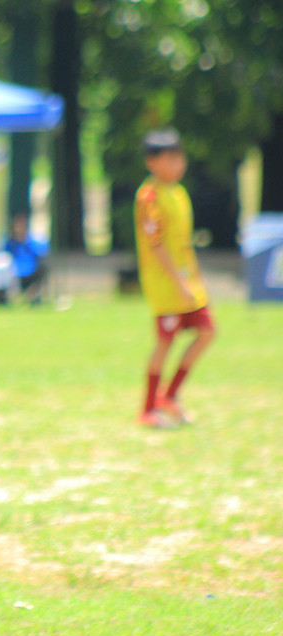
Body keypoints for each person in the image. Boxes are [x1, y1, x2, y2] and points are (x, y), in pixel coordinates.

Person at [133, 128, 215, 428]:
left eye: (179, 158)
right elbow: (156, 245)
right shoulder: (149, 196)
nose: (178, 164)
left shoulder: (179, 193)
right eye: (170, 159)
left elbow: (184, 244)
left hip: (186, 281)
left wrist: (195, 277)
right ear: (152, 162)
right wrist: (179, 283)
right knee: (165, 342)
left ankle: (169, 396)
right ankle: (147, 410)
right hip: (165, 284)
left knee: (206, 332)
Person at [2, 210, 48, 304]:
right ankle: (3, 297)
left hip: (31, 271)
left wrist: (25, 240)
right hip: (14, 272)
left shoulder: (32, 241)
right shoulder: (10, 243)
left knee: (43, 266)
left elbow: (41, 251)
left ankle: (34, 295)